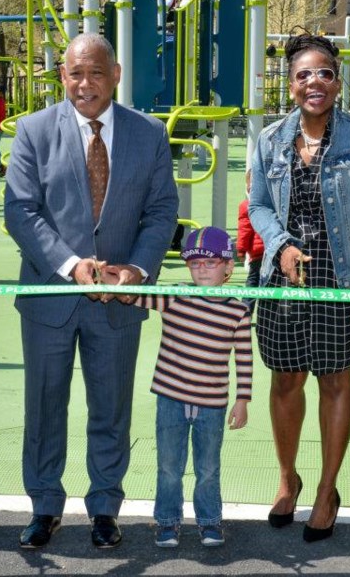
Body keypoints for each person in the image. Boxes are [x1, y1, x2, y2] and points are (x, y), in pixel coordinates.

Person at [4, 32, 179, 551]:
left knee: (110, 409)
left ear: (116, 74)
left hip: (118, 304)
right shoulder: (33, 132)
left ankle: (105, 506)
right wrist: (70, 265)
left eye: (96, 73)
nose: (85, 84)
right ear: (63, 76)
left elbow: (161, 211)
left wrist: (139, 271)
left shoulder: (148, 134)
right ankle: (44, 506)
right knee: (44, 407)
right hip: (48, 299)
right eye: (75, 73)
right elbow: (21, 211)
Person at [248, 33, 350, 543]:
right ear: (290, 85)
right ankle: (288, 478)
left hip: (341, 276)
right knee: (285, 380)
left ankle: (327, 490)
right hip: (283, 278)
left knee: (335, 379)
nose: (316, 82)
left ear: (337, 81)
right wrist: (279, 244)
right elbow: (259, 206)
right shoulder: (269, 140)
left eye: (325, 72)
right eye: (305, 74)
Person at [135, 226, 252, 549]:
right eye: (194, 262)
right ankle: (168, 522)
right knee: (169, 466)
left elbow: (244, 357)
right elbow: (133, 295)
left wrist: (243, 399)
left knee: (208, 468)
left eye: (210, 262)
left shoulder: (238, 309)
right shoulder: (174, 296)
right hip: (170, 398)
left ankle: (210, 521)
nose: (201, 268)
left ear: (229, 267)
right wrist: (111, 281)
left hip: (212, 403)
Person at [236, 169, 264, 313]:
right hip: (273, 251)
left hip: (257, 253)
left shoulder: (246, 206)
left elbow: (244, 230)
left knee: (252, 283)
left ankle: (245, 313)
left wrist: (240, 250)